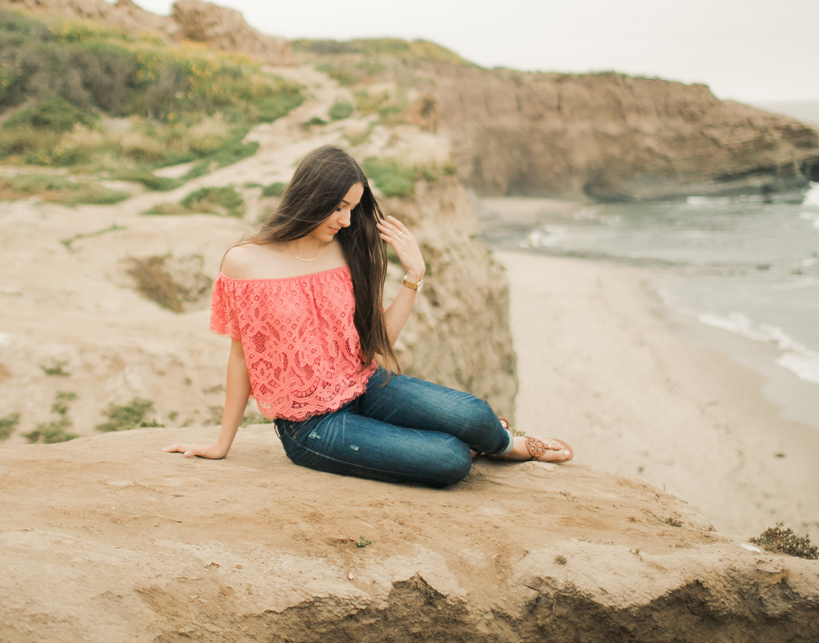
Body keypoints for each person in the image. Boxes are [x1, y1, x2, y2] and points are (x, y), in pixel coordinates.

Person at [163, 145, 573, 488]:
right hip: (310, 426)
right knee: (450, 459)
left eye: (352, 209)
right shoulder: (244, 262)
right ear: (310, 198)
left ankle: (499, 443)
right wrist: (222, 443)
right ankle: (474, 443)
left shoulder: (344, 250)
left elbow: (378, 340)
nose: (345, 220)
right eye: (339, 208)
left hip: (366, 384)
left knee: (475, 414)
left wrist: (415, 275)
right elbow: (241, 356)